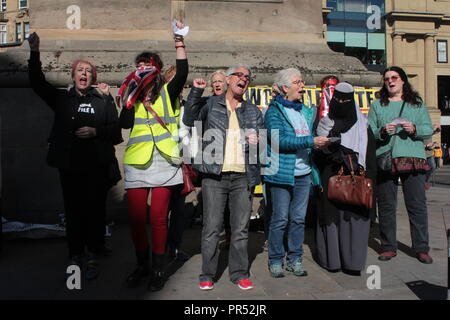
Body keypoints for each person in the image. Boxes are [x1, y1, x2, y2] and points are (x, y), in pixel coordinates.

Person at [27, 32, 123, 279]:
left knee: (94, 210)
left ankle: (93, 252)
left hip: (96, 167)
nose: (83, 73)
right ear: (73, 76)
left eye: (88, 71)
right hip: (69, 166)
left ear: (93, 77)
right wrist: (35, 51)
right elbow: (37, 83)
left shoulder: (101, 100)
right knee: (73, 211)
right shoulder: (61, 100)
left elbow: (115, 132)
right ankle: (75, 253)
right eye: (79, 70)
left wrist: (95, 131)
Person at [119, 21, 188, 291]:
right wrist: (128, 97)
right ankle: (142, 265)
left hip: (164, 162)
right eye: (140, 66)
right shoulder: (131, 97)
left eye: (149, 65)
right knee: (136, 218)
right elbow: (124, 124)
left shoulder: (167, 93)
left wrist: (179, 42)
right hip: (137, 162)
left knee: (159, 217)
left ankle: (158, 270)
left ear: (157, 71)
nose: (144, 70)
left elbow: (181, 72)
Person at [183, 64, 263, 291]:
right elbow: (189, 119)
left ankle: (239, 273)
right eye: (239, 75)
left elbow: (264, 146)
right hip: (214, 176)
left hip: (242, 177)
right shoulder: (211, 104)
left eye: (247, 76)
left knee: (240, 229)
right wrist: (196, 92)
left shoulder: (253, 111)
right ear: (228, 80)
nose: (244, 79)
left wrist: (259, 142)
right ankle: (207, 273)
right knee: (211, 228)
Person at [263, 68, 329, 278]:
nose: (302, 86)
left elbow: (308, 136)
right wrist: (311, 141)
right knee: (280, 219)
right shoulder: (274, 112)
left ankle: (295, 258)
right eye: (298, 82)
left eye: (302, 82)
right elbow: (279, 141)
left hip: (303, 174)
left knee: (298, 219)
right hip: (282, 173)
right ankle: (275, 259)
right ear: (285, 88)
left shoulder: (304, 111)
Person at [368, 66, 434, 264]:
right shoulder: (377, 105)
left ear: (403, 80)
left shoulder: (416, 104)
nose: (390, 81)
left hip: (412, 158)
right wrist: (381, 131)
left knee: (417, 205)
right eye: (387, 78)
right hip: (386, 159)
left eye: (394, 77)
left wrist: (414, 128)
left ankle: (421, 248)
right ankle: (388, 247)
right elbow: (369, 131)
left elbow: (428, 130)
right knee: (386, 206)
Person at [314, 82, 376, 275]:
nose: (341, 103)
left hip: (357, 179)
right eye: (337, 99)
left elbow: (370, 157)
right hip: (330, 178)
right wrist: (327, 148)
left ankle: (353, 262)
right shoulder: (324, 124)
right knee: (332, 218)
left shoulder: (363, 126)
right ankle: (332, 261)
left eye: (345, 100)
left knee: (354, 219)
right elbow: (316, 154)